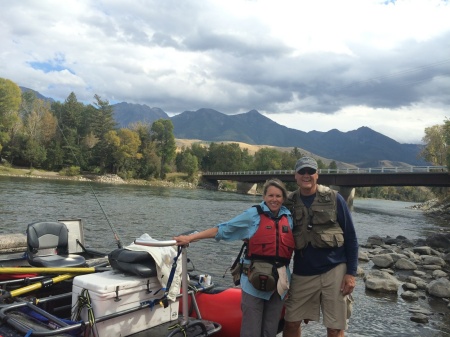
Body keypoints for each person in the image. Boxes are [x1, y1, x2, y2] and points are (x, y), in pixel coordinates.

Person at [174, 179, 295, 337]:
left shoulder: (289, 218)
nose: (274, 199)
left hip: (279, 284)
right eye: (271, 195)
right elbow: (223, 229)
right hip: (254, 282)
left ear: (283, 198)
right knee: (251, 330)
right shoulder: (253, 215)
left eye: (278, 196)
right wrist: (191, 238)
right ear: (264, 196)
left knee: (270, 330)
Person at [283, 156, 358, 337]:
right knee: (291, 321)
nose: (306, 175)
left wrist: (351, 274)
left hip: (334, 270)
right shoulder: (289, 202)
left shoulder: (334, 198)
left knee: (335, 327)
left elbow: (351, 237)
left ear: (317, 175)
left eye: (310, 171)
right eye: (302, 171)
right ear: (296, 176)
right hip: (302, 271)